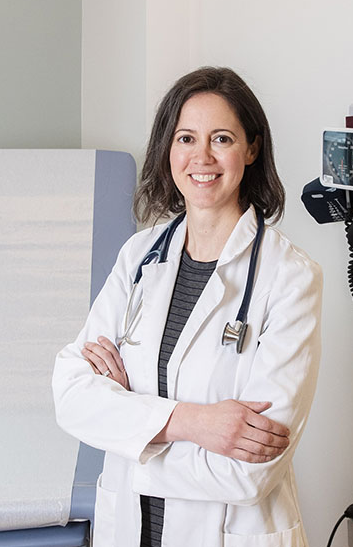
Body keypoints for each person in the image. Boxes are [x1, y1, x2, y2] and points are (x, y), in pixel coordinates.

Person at [52, 67, 322, 547]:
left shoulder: (289, 277)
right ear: (167, 149)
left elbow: (248, 471)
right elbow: (72, 395)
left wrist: (130, 427)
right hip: (129, 530)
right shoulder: (140, 256)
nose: (202, 157)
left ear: (251, 149)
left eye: (221, 138)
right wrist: (196, 423)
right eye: (185, 138)